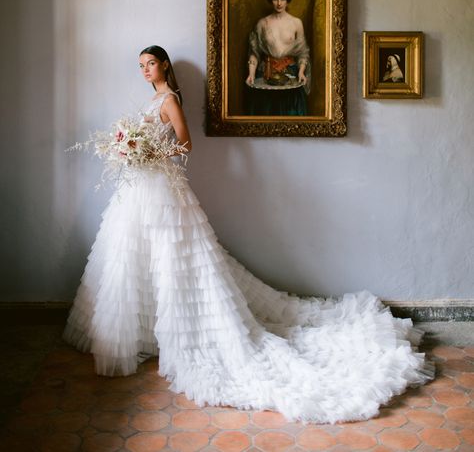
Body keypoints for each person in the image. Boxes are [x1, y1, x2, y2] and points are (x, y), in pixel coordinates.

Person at [64, 44, 432, 424]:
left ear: (164, 65)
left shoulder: (169, 99)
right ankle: (144, 336)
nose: (145, 69)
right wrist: (130, 152)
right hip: (140, 190)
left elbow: (185, 144)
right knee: (133, 256)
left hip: (162, 190)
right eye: (140, 64)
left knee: (172, 259)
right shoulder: (149, 100)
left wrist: (149, 154)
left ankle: (180, 339)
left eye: (151, 63)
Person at [245, 0, 310, 116]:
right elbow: (254, 52)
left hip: (290, 74)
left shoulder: (296, 23)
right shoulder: (262, 23)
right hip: (266, 73)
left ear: (288, 0)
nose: (279, 3)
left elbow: (303, 52)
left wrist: (301, 72)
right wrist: (251, 73)